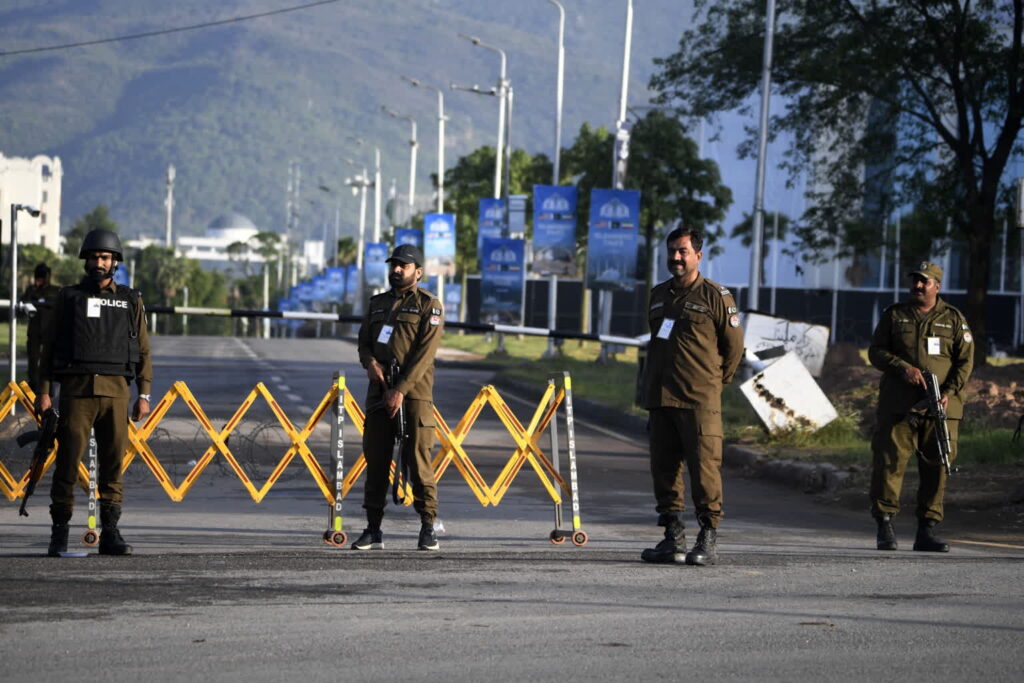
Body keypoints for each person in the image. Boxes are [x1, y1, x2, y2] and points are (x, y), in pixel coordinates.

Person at [35, 229, 152, 557]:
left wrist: (144, 395)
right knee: (68, 464)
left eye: (105, 257)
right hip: (77, 391)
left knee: (113, 464)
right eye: (94, 257)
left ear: (115, 262)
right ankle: (59, 533)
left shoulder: (131, 300)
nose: (99, 262)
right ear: (86, 260)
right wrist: (44, 391)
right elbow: (50, 347)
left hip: (116, 394)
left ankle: (110, 533)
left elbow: (143, 350)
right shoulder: (68, 298)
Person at [640, 226, 744, 566]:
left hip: (699, 401)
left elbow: (734, 349)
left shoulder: (716, 296)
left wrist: (713, 384)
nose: (676, 257)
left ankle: (707, 537)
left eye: (683, 251)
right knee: (664, 470)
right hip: (661, 398)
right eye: (672, 251)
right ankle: (673, 537)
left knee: (705, 471)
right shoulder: (658, 295)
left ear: (698, 255)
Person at [867, 261, 973, 552]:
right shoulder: (895, 315)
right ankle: (885, 526)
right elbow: (875, 352)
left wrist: (950, 392)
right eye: (915, 280)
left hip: (939, 407)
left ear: (937, 286)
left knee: (937, 467)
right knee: (889, 464)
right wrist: (902, 368)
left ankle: (927, 530)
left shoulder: (953, 319)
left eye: (924, 281)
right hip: (899, 405)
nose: (918, 285)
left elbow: (965, 362)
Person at [353, 244, 444, 551]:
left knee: (418, 460)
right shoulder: (377, 303)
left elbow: (424, 355)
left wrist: (401, 389)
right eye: (393, 265)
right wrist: (371, 364)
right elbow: (364, 342)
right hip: (379, 391)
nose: (396, 270)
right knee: (375, 459)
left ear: (417, 272)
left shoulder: (429, 305)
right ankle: (373, 528)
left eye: (403, 266)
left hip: (414, 394)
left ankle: (428, 526)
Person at [23, 263, 61, 393]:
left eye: (42, 276)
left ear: (48, 276)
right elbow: (23, 304)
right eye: (38, 276)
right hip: (34, 330)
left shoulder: (56, 291)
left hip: (50, 330)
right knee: (33, 360)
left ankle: (48, 389)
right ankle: (33, 387)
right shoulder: (31, 290)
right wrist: (34, 289)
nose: (40, 279)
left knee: (48, 360)